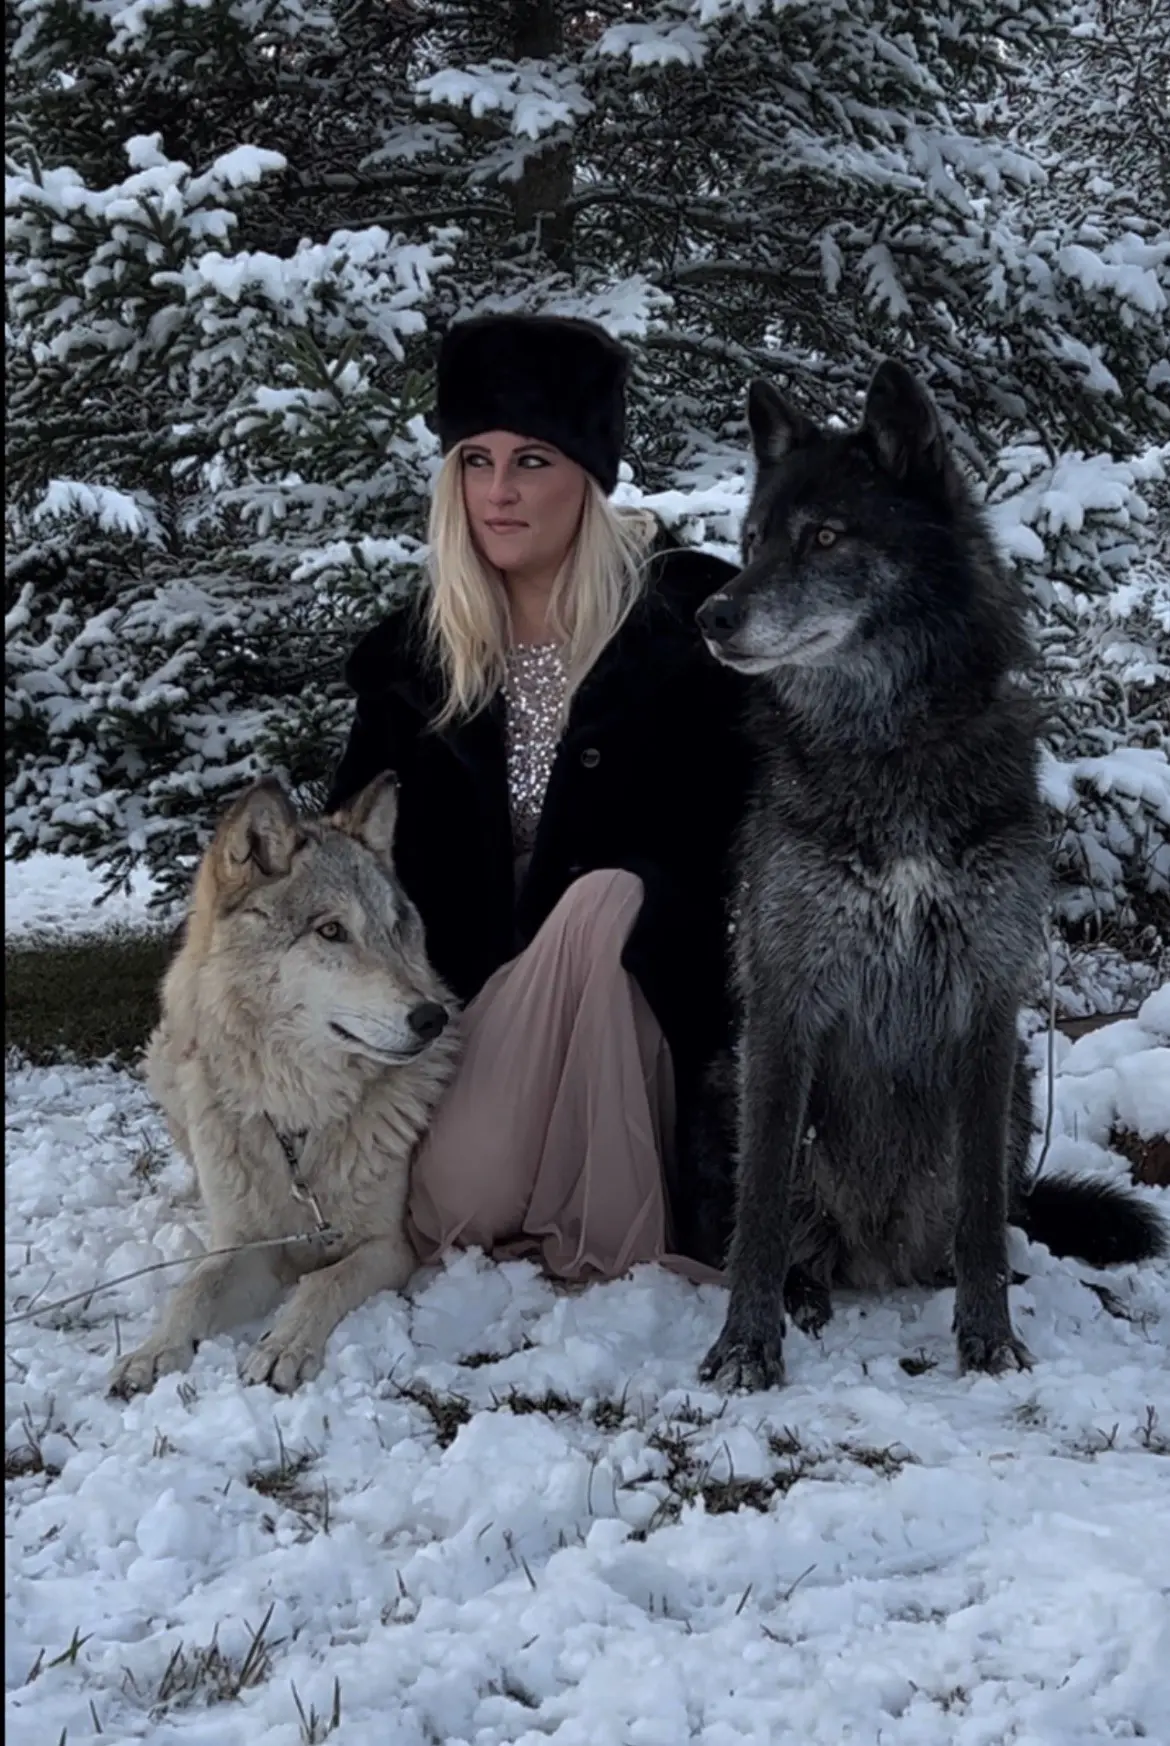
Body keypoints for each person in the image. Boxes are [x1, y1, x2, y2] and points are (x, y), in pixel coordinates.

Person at [326, 312, 747, 1282]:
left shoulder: (683, 639)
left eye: (533, 461)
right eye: (475, 461)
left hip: (642, 1022)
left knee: (608, 897)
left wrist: (649, 906)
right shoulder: (413, 667)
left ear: (590, 477)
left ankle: (610, 1223)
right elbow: (343, 877)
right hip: (455, 1031)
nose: (500, 493)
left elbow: (754, 850)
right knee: (465, 1199)